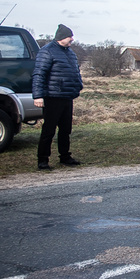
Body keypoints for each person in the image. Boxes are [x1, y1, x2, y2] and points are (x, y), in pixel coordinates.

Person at [33, 24, 83, 170]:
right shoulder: (47, 51)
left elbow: (76, 71)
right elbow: (39, 74)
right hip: (52, 96)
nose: (72, 39)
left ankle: (65, 156)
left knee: (65, 129)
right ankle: (43, 160)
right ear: (61, 37)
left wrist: (78, 85)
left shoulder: (70, 53)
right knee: (49, 130)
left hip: (67, 96)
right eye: (70, 36)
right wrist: (38, 96)